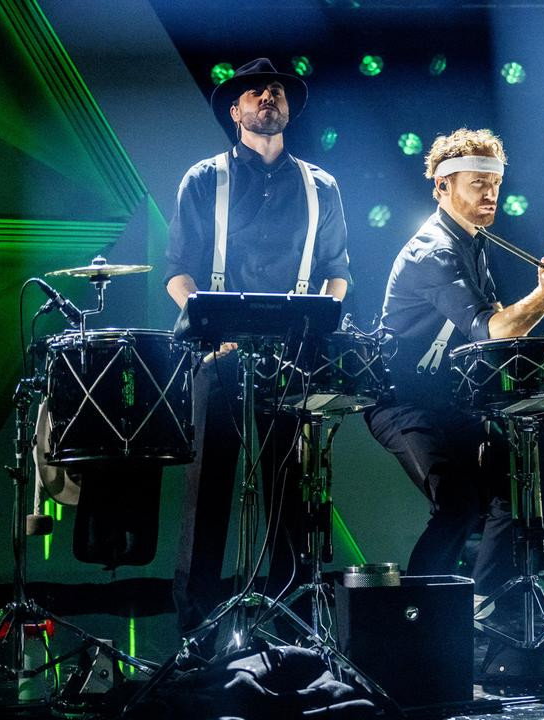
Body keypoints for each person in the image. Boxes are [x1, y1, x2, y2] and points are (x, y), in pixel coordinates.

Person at [165, 58, 351, 634]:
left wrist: (317, 332)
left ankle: (292, 631)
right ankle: (196, 637)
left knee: (292, 500)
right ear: (235, 111)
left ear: (288, 109)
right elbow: (178, 272)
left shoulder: (321, 185)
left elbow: (337, 273)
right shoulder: (205, 179)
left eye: (276, 91)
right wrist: (211, 329)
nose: (268, 97)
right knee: (209, 494)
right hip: (219, 355)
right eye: (255, 92)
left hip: (292, 358)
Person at [365, 128, 544, 610]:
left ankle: (481, 606)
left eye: (495, 183)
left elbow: (496, 320)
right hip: (402, 402)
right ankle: (417, 617)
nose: (490, 193)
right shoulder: (434, 251)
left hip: (449, 401)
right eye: (478, 183)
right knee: (458, 504)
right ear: (442, 186)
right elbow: (490, 329)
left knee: (514, 491)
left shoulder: (473, 242)